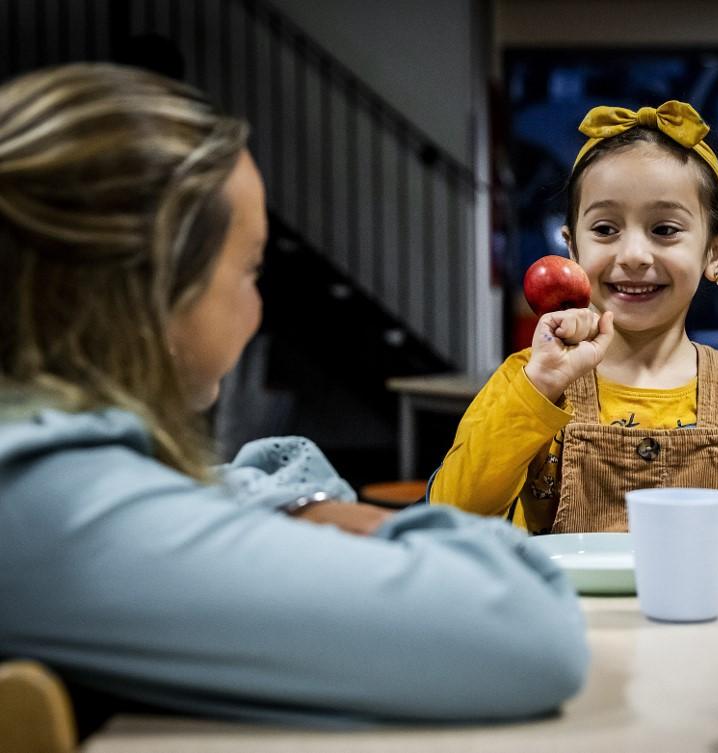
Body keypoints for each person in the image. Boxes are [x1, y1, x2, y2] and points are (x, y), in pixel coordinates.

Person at [0, 63, 588, 735]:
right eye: (251, 268)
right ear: (153, 287)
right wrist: (321, 507)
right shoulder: (50, 501)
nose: (259, 304)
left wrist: (286, 498)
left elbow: (192, 498)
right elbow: (522, 627)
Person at [428, 100, 718, 552]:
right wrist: (538, 388)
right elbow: (453, 519)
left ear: (715, 253)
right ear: (571, 246)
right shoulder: (528, 378)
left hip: (704, 621)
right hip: (567, 619)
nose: (633, 254)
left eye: (665, 229)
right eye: (605, 229)